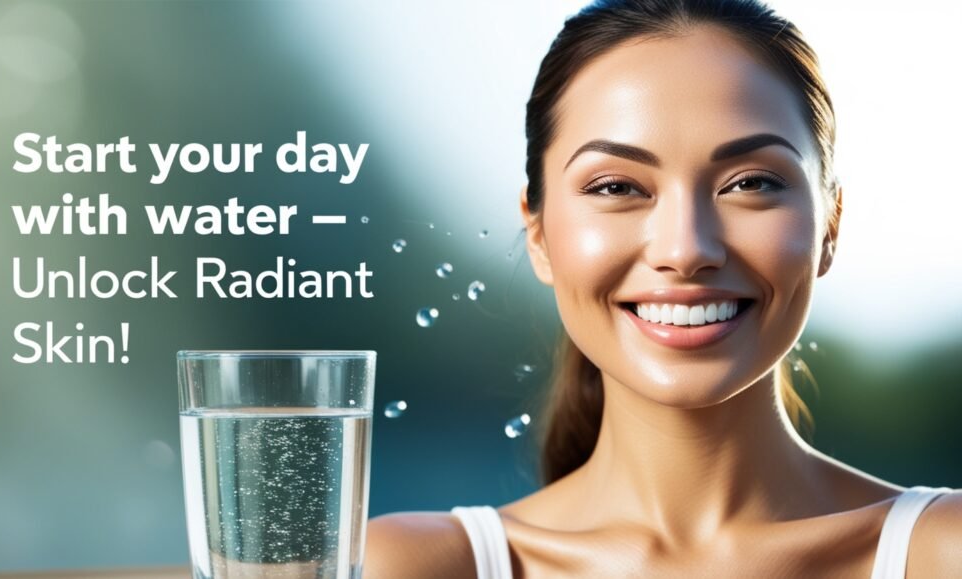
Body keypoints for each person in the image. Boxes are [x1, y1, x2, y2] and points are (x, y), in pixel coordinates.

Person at [364, 1, 961, 577]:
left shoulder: (942, 552)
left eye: (749, 182)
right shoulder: (411, 565)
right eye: (616, 187)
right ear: (539, 233)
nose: (685, 249)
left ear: (829, 225)